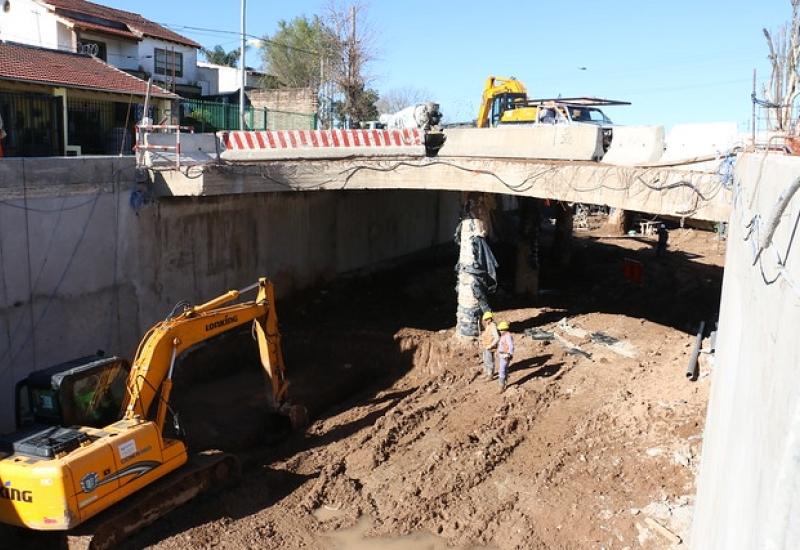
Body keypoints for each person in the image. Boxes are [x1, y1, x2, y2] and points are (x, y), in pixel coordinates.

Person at [480, 311, 500, 378]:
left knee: (489, 361)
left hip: (490, 347)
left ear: (490, 318)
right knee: (485, 360)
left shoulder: (493, 326)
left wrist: (491, 345)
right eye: (485, 320)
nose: (485, 321)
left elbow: (497, 337)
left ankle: (490, 375)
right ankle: (487, 373)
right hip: (486, 346)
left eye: (486, 320)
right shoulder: (488, 326)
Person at [496, 321, 514, 393]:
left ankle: (501, 386)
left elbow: (511, 346)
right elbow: (501, 345)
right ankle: (504, 383)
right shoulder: (503, 336)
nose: (500, 331)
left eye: (500, 330)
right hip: (502, 354)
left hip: (505, 355)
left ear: (504, 329)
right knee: (504, 369)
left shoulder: (508, 336)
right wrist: (498, 351)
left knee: (502, 370)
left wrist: (510, 354)